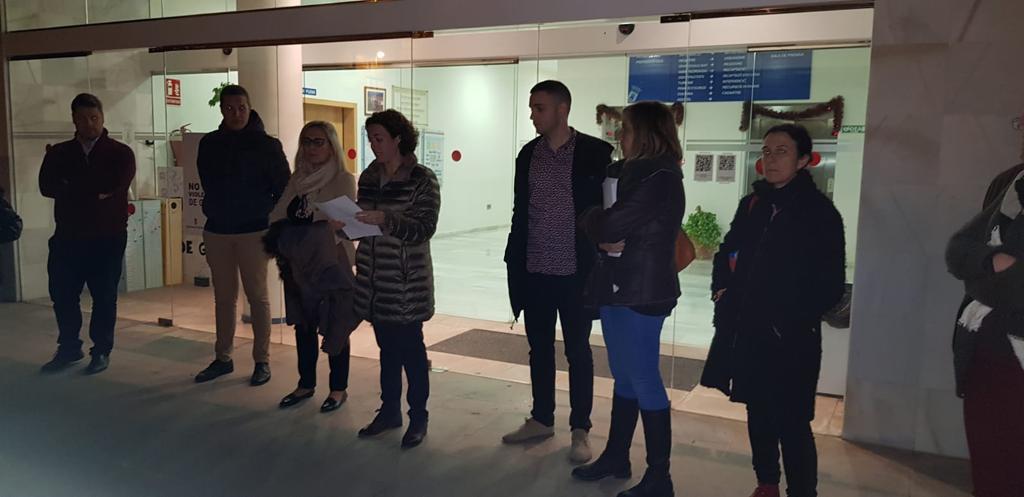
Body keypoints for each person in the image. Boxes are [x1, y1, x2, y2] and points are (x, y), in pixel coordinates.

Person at [700, 124, 846, 497]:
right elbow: (727, 251)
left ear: (803, 160)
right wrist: (722, 289)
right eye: (766, 151)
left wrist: (787, 318)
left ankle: (802, 491)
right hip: (748, 329)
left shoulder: (820, 213)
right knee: (758, 410)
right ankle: (766, 482)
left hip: (791, 338)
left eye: (782, 151)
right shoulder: (753, 205)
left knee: (792, 421)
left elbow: (829, 285)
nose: (771, 159)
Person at [572, 101, 685, 497]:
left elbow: (611, 222)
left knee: (644, 378)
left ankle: (660, 477)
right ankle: (617, 457)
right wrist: (596, 222)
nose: (621, 136)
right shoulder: (630, 172)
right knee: (624, 375)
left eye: (627, 129)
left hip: (643, 289)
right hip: (618, 285)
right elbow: (602, 220)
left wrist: (592, 220)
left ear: (648, 133)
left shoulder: (660, 176)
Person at [502, 80, 613, 464]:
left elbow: (607, 212)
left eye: (540, 108)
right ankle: (541, 418)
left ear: (562, 109)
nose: (533, 115)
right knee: (539, 349)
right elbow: (520, 210)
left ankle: (580, 429)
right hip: (535, 270)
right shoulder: (527, 155)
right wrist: (514, 259)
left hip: (576, 272)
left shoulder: (595, 154)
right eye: (532, 108)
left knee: (578, 351)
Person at [352, 109, 440, 450]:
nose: (374, 145)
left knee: (412, 353)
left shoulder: (421, 178)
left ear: (398, 139)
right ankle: (389, 411)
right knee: (386, 350)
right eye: (371, 139)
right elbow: (362, 220)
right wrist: (346, 226)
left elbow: (424, 228)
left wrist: (386, 219)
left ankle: (418, 417)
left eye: (379, 138)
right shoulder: (369, 176)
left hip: (406, 283)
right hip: (375, 280)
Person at [194, 84, 290, 386]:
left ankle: (262, 360)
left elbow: (283, 188)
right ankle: (223, 357)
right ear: (222, 110)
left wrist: (270, 219)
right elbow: (207, 181)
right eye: (230, 108)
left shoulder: (267, 145)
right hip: (217, 229)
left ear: (250, 107)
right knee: (223, 298)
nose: (236, 113)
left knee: (257, 297)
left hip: (254, 230)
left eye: (241, 108)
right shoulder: (210, 143)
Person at [38, 93, 136, 375]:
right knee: (62, 295)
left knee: (104, 297)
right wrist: (90, 191)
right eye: (82, 118)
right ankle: (69, 347)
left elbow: (113, 186)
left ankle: (101, 350)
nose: (89, 123)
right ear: (74, 120)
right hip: (68, 237)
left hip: (107, 238)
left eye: (94, 118)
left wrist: (70, 187)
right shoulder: (59, 153)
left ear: (102, 118)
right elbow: (47, 186)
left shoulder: (120, 153)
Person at [946, 158, 1024, 497]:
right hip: (985, 354)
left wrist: (984, 277)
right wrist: (989, 261)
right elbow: (958, 249)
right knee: (990, 471)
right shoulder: (1011, 181)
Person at [268, 121, 358, 412]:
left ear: (332, 146)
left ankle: (338, 389)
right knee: (303, 325)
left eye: (319, 141)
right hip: (299, 264)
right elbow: (276, 216)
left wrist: (305, 223)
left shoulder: (343, 179)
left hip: (332, 262)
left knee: (336, 325)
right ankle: (305, 384)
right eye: (307, 141)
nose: (311, 147)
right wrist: (314, 223)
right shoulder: (298, 179)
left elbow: (343, 223)